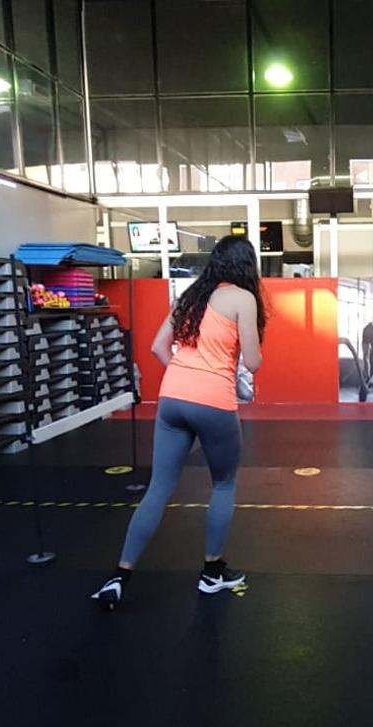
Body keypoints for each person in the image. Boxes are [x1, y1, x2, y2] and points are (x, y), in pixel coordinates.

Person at [92, 236, 265, 609]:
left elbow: (158, 347)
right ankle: (212, 574)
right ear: (246, 266)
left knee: (157, 488)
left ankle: (119, 576)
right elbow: (252, 362)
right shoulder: (243, 298)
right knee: (223, 484)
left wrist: (185, 378)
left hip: (172, 398)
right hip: (214, 401)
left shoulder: (190, 296)